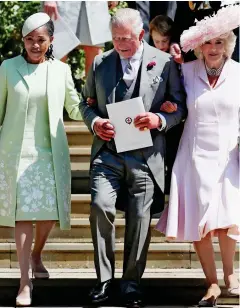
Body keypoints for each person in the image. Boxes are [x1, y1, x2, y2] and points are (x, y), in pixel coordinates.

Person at [79, 8, 186, 308]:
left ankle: (130, 284)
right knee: (100, 206)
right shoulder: (100, 62)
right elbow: (85, 104)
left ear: (140, 35)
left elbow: (179, 108)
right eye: (115, 39)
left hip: (146, 155)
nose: (120, 45)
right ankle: (103, 281)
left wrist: (158, 121)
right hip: (108, 154)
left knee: (140, 219)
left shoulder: (164, 63)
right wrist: (94, 123)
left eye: (125, 39)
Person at [156, 4, 240, 307]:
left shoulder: (239, 74)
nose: (214, 48)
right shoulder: (185, 71)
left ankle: (231, 275)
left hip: (230, 155)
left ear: (228, 44)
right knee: (200, 220)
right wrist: (169, 109)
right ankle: (212, 283)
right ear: (199, 46)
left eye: (219, 42)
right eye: (208, 42)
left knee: (228, 217)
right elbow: (176, 104)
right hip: (194, 155)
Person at [0, 12, 81, 306]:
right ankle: (24, 282)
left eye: (41, 40)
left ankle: (36, 254)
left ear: (51, 41)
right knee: (22, 215)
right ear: (23, 41)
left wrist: (101, 117)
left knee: (47, 214)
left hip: (49, 153)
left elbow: (75, 107)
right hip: (15, 153)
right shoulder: (8, 68)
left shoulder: (61, 70)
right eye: (30, 40)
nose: (35, 45)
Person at [149, 14, 184, 197]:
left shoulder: (176, 56)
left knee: (172, 156)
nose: (161, 45)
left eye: (165, 40)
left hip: (175, 117)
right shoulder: (148, 56)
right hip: (154, 116)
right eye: (157, 41)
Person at [43, 1, 118, 75]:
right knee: (59, 49)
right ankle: (53, 86)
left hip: (96, 5)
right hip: (63, 4)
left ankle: (92, 87)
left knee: (94, 49)